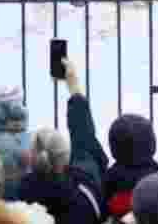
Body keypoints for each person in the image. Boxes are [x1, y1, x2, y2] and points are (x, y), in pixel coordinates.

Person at [16, 58, 108, 224]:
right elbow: (84, 139)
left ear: (31, 158)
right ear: (64, 157)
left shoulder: (17, 203)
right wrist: (74, 88)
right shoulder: (85, 191)